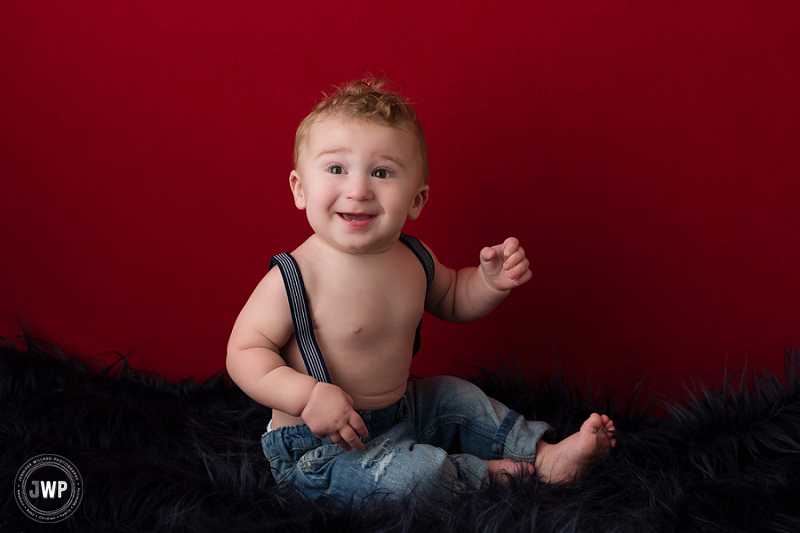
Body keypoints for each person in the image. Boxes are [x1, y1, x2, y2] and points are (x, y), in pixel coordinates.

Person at [226, 78, 615, 503]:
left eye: (381, 172)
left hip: (402, 412)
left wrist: (487, 282)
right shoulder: (295, 276)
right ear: (300, 189)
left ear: (416, 200)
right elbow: (244, 353)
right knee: (411, 479)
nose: (358, 190)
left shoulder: (414, 257)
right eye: (336, 169)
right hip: (320, 447)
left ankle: (542, 454)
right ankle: (491, 475)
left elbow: (452, 298)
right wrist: (307, 396)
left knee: (456, 396)